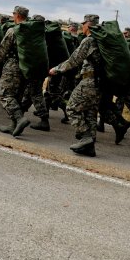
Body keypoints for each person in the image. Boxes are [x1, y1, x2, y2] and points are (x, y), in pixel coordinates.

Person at [48, 14, 103, 157]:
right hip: (100, 83)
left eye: (84, 24)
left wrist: (56, 69)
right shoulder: (102, 40)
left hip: (89, 81)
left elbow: (74, 60)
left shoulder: (89, 40)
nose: (82, 26)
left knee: (71, 108)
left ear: (88, 25)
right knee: (90, 113)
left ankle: (86, 137)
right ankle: (90, 148)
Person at [0, 5, 32, 137]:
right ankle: (13, 125)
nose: (13, 16)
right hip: (26, 68)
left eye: (14, 14)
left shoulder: (13, 30)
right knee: (17, 96)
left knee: (5, 94)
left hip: (12, 66)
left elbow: (2, 50)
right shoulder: (31, 32)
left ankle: (19, 119)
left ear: (17, 15)